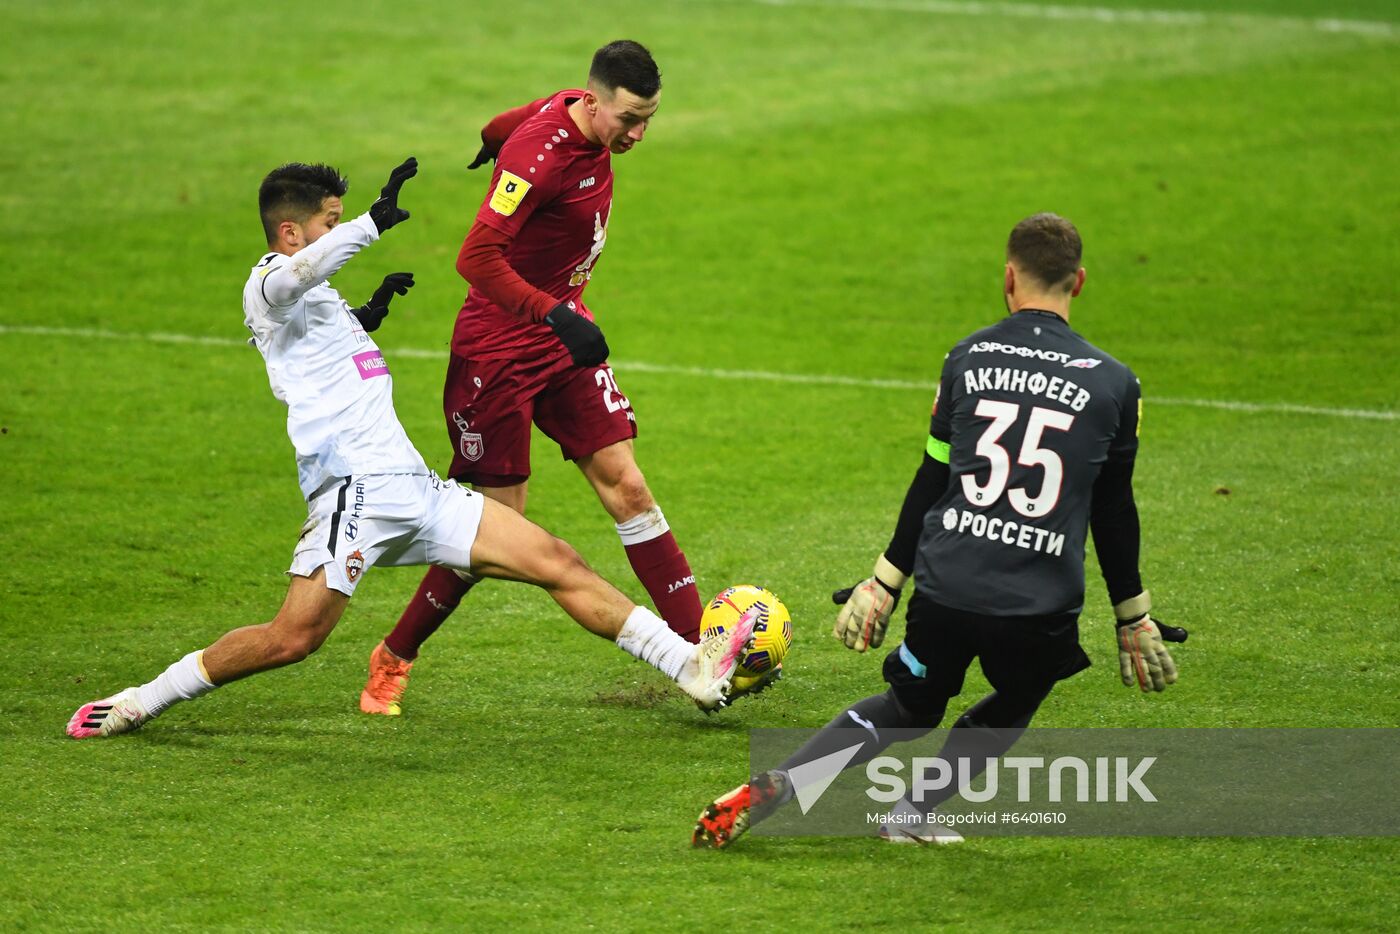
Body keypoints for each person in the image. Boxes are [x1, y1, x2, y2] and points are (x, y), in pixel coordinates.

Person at [65, 158, 756, 740]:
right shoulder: (268, 282)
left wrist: (368, 314)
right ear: (290, 231)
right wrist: (370, 223)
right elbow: (292, 281)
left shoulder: (315, 300)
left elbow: (320, 335)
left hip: (415, 489)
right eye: (328, 223)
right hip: (354, 494)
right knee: (293, 639)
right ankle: (140, 700)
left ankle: (690, 669)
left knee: (558, 561)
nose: (335, 232)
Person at [692, 213, 1186, 848]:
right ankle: (912, 811)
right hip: (1036, 603)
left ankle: (788, 782)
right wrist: (1132, 616)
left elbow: (932, 476)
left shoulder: (967, 358)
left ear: (1008, 279)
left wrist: (883, 583)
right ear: (1080, 281)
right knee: (1018, 697)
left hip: (946, 583)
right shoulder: (1116, 383)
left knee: (908, 708)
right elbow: (1113, 510)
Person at [358, 39, 760, 718]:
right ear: (596, 102)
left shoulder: (570, 108)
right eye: (629, 119)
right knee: (498, 529)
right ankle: (394, 655)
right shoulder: (540, 158)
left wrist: (489, 140)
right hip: (498, 351)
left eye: (648, 120)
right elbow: (475, 257)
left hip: (560, 335)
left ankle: (701, 653)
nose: (637, 134)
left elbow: (509, 120)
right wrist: (552, 311)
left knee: (628, 486)